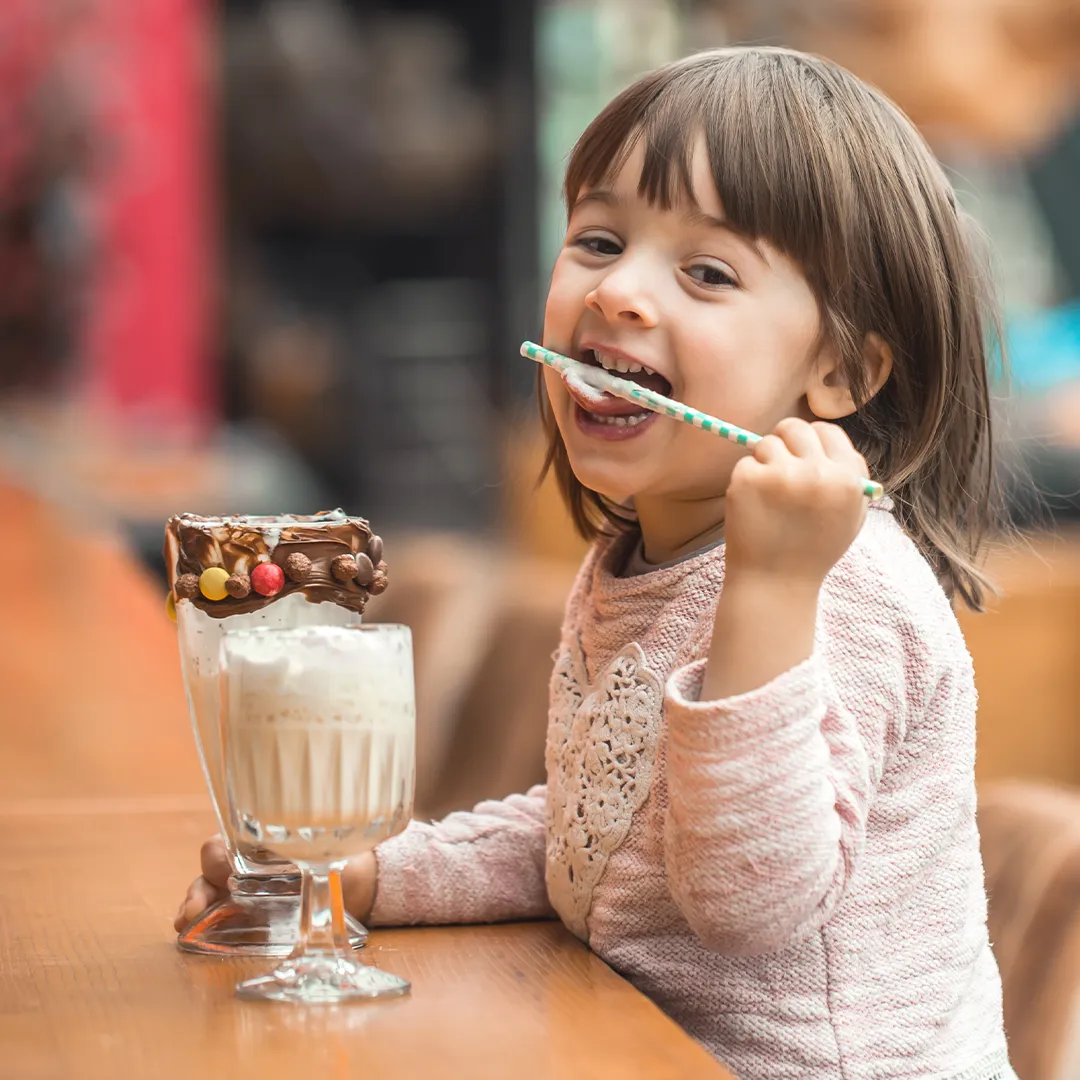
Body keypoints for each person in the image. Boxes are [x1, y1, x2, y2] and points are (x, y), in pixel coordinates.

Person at [178, 47, 1014, 1078]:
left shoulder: (840, 585)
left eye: (707, 272)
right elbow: (599, 835)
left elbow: (749, 903)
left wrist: (774, 586)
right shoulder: (642, 557)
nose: (617, 290)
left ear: (841, 370)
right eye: (599, 240)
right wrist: (365, 877)